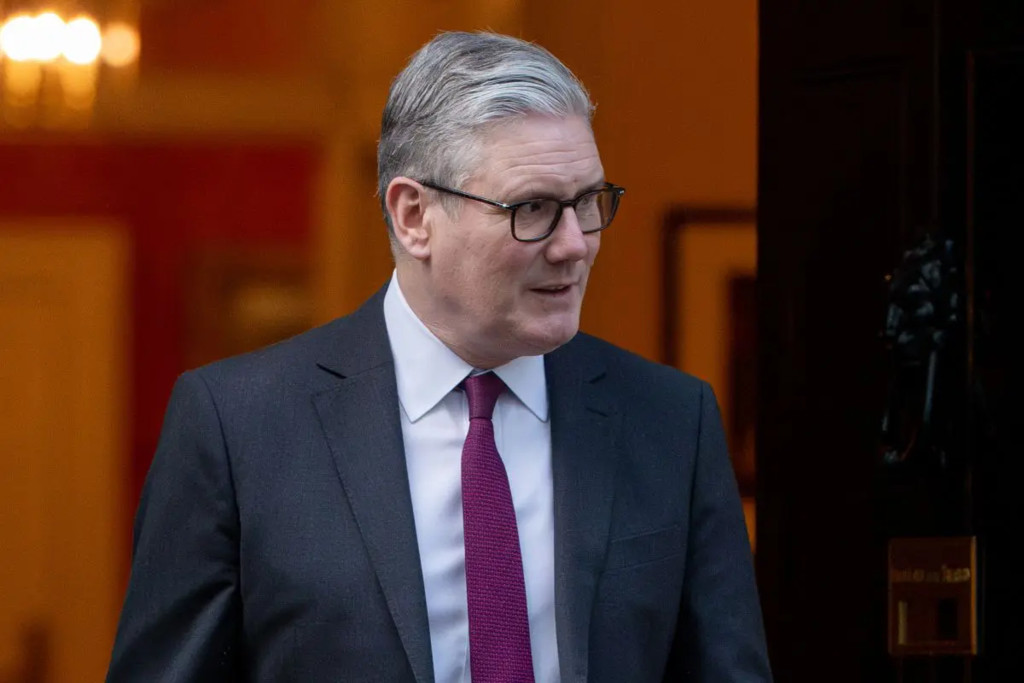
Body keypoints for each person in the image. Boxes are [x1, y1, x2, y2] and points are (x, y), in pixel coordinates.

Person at [107, 31, 771, 683]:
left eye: (588, 203)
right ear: (413, 215)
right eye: (534, 208)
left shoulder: (670, 421)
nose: (575, 244)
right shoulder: (238, 428)